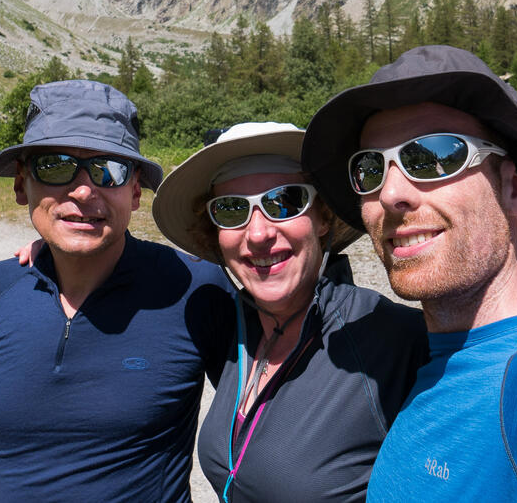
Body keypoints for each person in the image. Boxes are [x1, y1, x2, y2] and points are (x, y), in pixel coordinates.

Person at [301, 44, 517, 501]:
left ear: (516, 188)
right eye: (369, 169)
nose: (390, 194)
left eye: (435, 155)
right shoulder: (416, 360)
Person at [0, 80, 235, 502]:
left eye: (109, 168)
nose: (83, 191)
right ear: (20, 183)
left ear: (135, 190)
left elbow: (265, 432)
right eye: (54, 165)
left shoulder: (195, 288)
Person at [151, 121, 429, 502]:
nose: (259, 233)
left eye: (285, 201)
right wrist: (48, 255)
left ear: (323, 217)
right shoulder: (236, 328)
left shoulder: (392, 340)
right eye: (231, 210)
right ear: (214, 232)